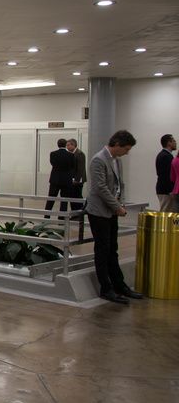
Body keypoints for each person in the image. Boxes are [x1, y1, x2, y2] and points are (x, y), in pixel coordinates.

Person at [86, 129, 142, 305]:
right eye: (126, 149)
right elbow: (100, 188)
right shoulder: (98, 160)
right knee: (102, 250)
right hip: (99, 212)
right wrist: (117, 207)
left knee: (113, 249)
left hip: (111, 211)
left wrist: (120, 203)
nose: (127, 152)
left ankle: (119, 285)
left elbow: (119, 185)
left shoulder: (116, 161)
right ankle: (106, 288)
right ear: (117, 144)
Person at [44, 138, 77, 218]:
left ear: (58, 144)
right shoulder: (71, 155)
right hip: (66, 180)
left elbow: (52, 163)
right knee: (64, 200)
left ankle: (47, 216)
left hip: (55, 179)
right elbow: (73, 166)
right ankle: (61, 218)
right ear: (65, 145)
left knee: (51, 198)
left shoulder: (53, 154)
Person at [155, 133, 176, 211]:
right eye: (173, 141)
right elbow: (165, 175)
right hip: (165, 190)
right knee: (165, 213)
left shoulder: (167, 155)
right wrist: (170, 190)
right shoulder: (165, 156)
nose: (175, 143)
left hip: (165, 189)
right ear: (169, 143)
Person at [66, 138, 87, 213]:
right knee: (72, 196)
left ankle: (79, 213)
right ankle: (74, 212)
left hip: (78, 180)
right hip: (72, 179)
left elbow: (80, 168)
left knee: (77, 196)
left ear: (73, 145)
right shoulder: (71, 154)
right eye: (66, 145)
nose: (67, 147)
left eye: (68, 145)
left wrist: (77, 180)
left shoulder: (79, 154)